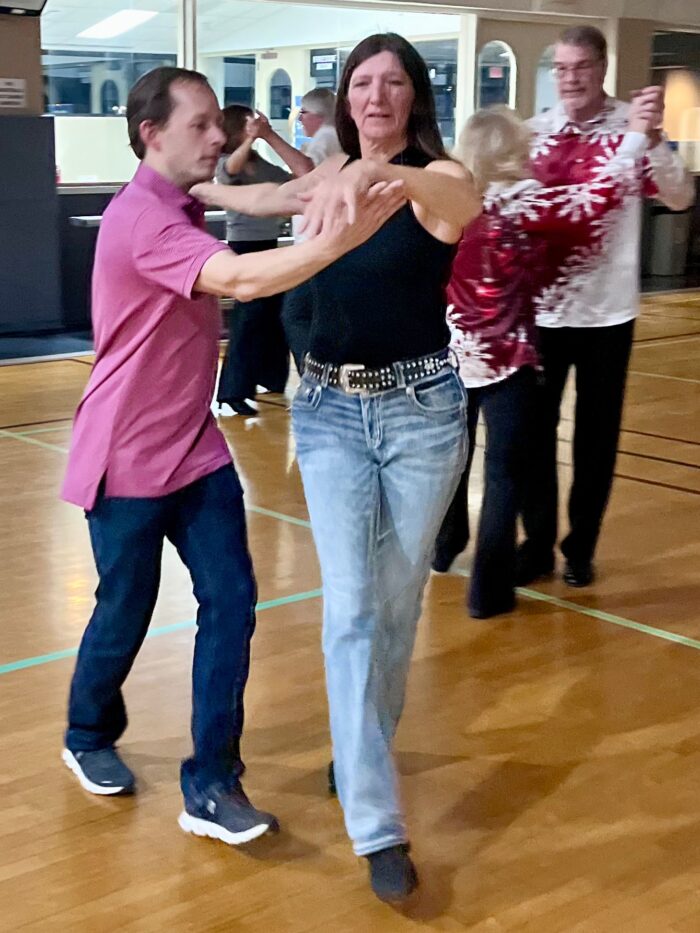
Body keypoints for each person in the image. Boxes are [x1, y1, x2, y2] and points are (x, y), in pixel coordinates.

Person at [60, 66, 405, 848]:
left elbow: (272, 197)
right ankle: (87, 731)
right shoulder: (142, 220)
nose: (220, 136)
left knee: (232, 600)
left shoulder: (185, 195)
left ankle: (212, 782)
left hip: (194, 446)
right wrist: (341, 239)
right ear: (152, 135)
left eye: (220, 121)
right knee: (126, 607)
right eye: (202, 124)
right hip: (126, 452)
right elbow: (243, 278)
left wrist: (362, 175)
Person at [195, 32, 481, 902]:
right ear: (347, 96)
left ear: (414, 95)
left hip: (422, 412)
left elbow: (461, 201)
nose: (376, 95)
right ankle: (377, 822)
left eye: (393, 82)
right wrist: (195, 183)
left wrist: (379, 176)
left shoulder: (436, 177)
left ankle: (362, 748)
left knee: (396, 606)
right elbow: (267, 193)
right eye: (362, 82)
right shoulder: (327, 172)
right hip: (326, 412)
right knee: (352, 609)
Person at [435, 107, 651, 618]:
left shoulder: (449, 205)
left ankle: (443, 548)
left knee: (451, 464)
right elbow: (595, 200)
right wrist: (636, 139)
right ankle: (487, 593)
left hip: (453, 359)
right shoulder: (521, 203)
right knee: (503, 477)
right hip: (509, 361)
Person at [516, 25, 694, 589]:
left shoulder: (632, 128)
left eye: (582, 67)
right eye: (562, 68)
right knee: (533, 436)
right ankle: (537, 545)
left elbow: (679, 197)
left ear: (602, 67)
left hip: (608, 315)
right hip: (542, 312)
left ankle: (581, 549)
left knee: (596, 440)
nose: (571, 79)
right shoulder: (534, 134)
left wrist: (654, 138)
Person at [214, 105, 311, 417]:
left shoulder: (260, 163)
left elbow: (295, 177)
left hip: (267, 244)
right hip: (244, 246)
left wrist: (269, 138)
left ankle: (271, 378)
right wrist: (250, 140)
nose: (252, 128)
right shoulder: (225, 162)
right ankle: (232, 391)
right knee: (248, 318)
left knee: (274, 316)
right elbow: (231, 169)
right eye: (246, 125)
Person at [283, 88, 344, 371]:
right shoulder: (338, 140)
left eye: (303, 114)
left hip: (315, 246)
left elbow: (307, 175)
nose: (300, 120)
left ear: (317, 116)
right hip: (327, 243)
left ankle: (315, 375)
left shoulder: (324, 141)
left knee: (295, 314)